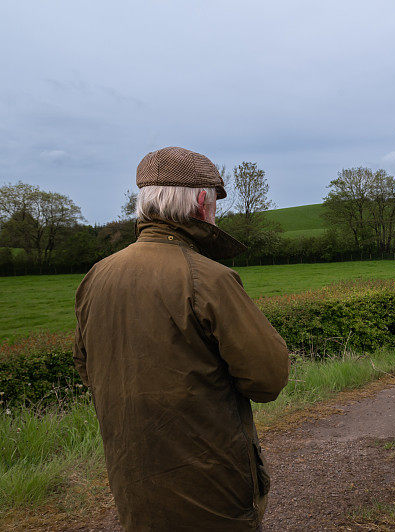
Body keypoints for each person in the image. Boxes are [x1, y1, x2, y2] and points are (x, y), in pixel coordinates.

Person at [73, 146, 289, 531]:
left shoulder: (97, 275)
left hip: (132, 483)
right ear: (203, 201)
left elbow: (87, 369)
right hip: (211, 489)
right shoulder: (210, 278)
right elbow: (267, 379)